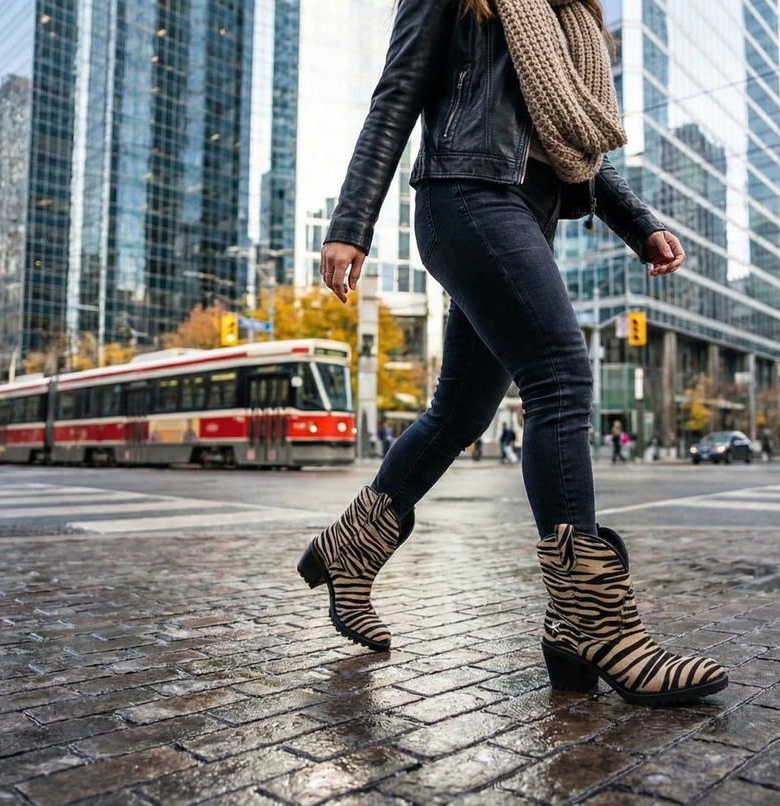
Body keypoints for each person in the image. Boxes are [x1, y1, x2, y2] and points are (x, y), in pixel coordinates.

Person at [295, 0, 727, 705]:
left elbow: (572, 147)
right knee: (559, 376)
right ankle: (590, 622)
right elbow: (395, 96)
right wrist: (351, 223)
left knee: (459, 413)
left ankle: (348, 548)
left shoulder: (567, 21)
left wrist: (638, 223)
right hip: (464, 198)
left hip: (525, 213)